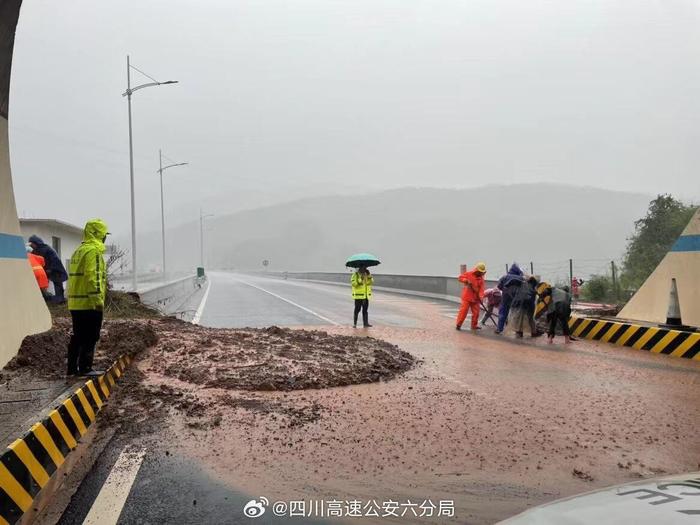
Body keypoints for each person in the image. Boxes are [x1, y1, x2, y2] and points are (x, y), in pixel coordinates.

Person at [66, 219, 109, 377]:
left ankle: (71, 369)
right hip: (89, 303)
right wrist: (98, 301)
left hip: (76, 303)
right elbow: (94, 278)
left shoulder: (79, 250)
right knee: (91, 336)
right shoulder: (94, 252)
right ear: (99, 235)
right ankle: (85, 368)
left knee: (78, 335)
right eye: (104, 235)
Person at [28, 235, 68, 303]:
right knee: (42, 282)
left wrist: (51, 269)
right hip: (46, 269)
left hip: (55, 268)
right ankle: (46, 297)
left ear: (36, 243)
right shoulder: (37, 250)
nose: (31, 246)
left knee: (57, 283)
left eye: (32, 244)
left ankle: (60, 299)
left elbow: (54, 260)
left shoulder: (45, 249)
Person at [456, 262, 487, 331]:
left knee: (476, 313)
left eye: (482, 272)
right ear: (477, 270)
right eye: (480, 272)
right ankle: (458, 324)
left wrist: (481, 297)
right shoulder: (469, 274)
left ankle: (474, 326)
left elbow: (482, 289)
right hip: (467, 297)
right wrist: (466, 280)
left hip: (476, 298)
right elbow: (460, 278)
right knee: (463, 311)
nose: (481, 273)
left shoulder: (481, 279)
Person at [495, 263, 524, 334]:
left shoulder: (505, 277)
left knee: (503, 313)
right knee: (517, 314)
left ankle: (499, 329)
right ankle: (518, 331)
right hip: (517, 299)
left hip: (506, 298)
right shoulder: (521, 278)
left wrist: (505, 290)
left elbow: (499, 287)